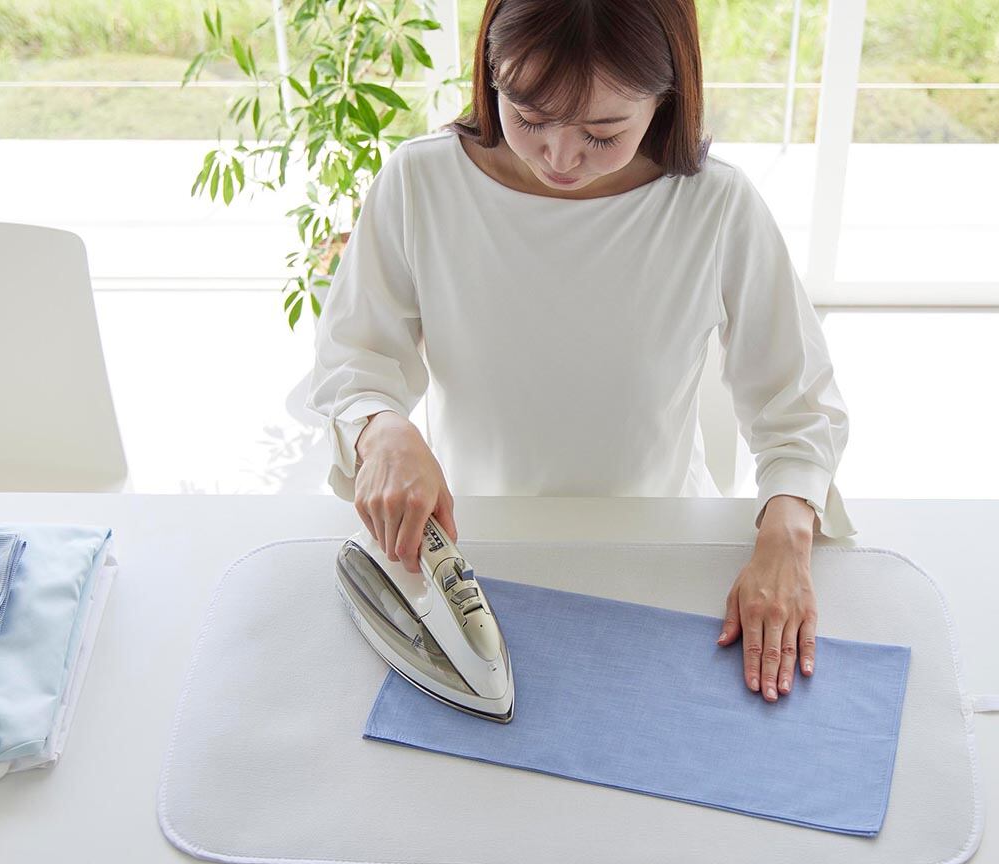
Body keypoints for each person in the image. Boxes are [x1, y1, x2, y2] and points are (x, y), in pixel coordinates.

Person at [306, 0, 857, 706]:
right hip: (478, 549)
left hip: (660, 554)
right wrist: (380, 428)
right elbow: (354, 358)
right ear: (491, 72)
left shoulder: (714, 203)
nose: (560, 158)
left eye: (603, 133)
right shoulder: (420, 183)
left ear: (665, 98)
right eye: (528, 117)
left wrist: (787, 534)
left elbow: (797, 404)